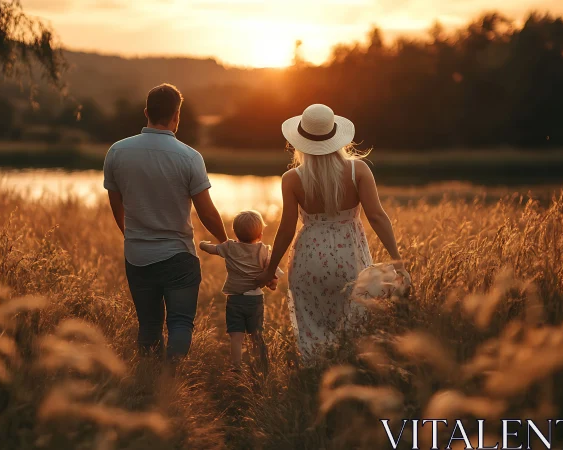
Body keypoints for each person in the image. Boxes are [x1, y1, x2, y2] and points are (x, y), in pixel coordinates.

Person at [256, 104, 408, 365]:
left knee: (313, 330)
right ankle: (349, 378)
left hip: (307, 262)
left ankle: (314, 381)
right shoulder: (357, 170)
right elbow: (377, 216)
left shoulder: (291, 178)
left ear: (300, 141)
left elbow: (287, 228)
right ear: (336, 136)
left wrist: (271, 269)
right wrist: (397, 262)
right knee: (351, 330)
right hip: (349, 258)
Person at [103, 83, 228, 361]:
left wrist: (129, 234)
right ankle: (170, 379)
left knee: (148, 325)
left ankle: (148, 381)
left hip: (137, 255)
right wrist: (225, 242)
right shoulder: (190, 157)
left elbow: (116, 202)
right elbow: (206, 212)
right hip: (178, 256)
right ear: (177, 115)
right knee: (181, 323)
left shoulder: (117, 152)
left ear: (146, 112)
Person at [199, 210, 282, 373]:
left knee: (236, 336)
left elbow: (212, 249)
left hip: (235, 300)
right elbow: (273, 274)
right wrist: (273, 283)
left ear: (235, 232)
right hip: (255, 300)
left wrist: (202, 244)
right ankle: (262, 366)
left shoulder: (229, 247)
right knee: (256, 335)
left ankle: (236, 367)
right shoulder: (264, 250)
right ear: (261, 233)